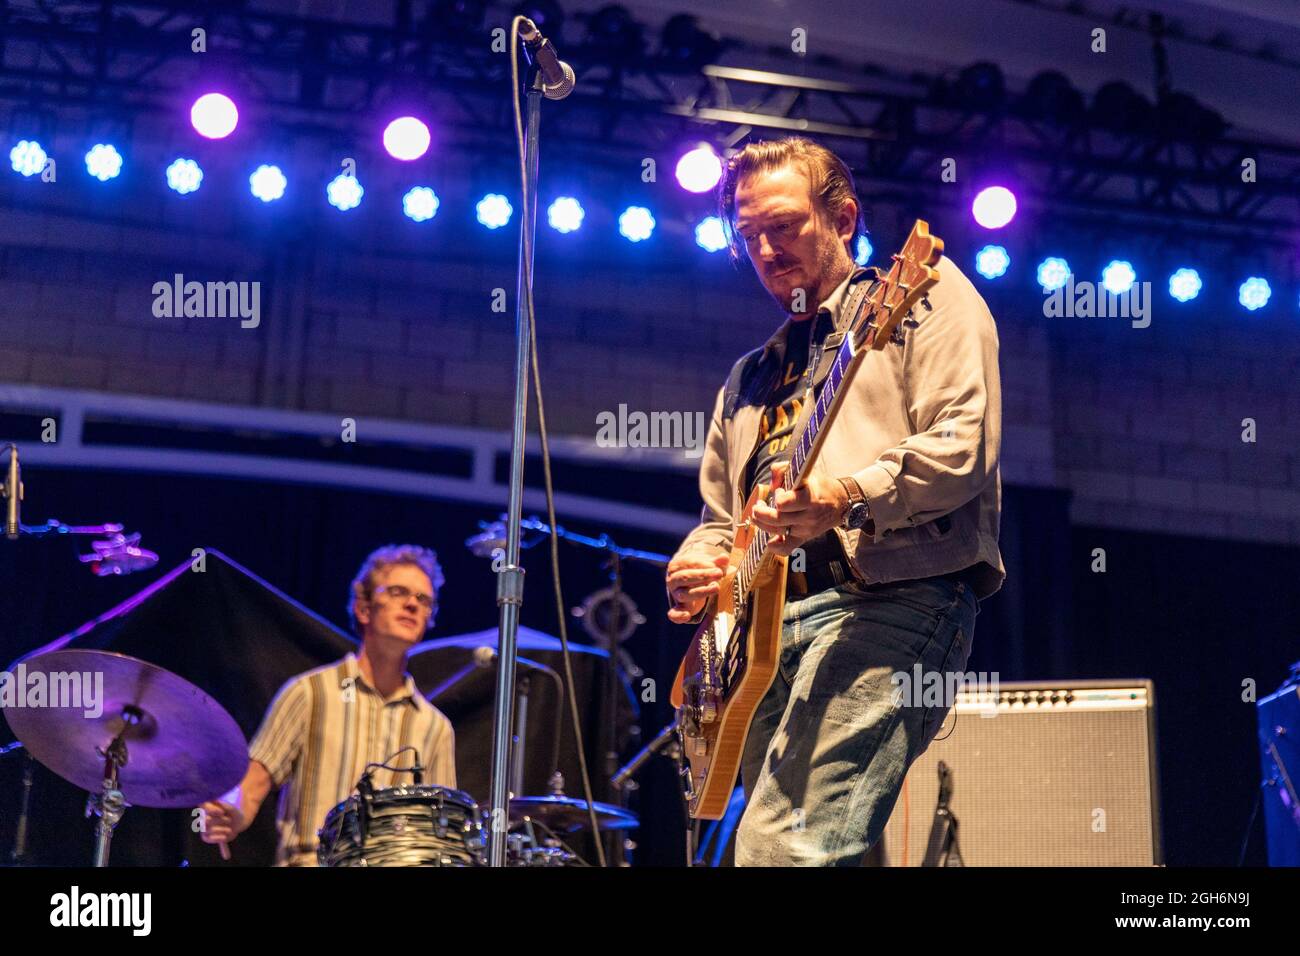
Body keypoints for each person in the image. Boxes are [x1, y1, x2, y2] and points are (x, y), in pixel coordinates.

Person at [665, 136, 1004, 866]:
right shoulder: (750, 375)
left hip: (889, 599)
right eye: (748, 235)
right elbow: (721, 522)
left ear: (844, 218)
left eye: (783, 227)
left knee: (782, 851)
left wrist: (844, 495)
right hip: (758, 637)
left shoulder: (923, 295)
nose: (764, 249)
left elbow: (964, 446)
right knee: (771, 849)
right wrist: (699, 565)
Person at [198, 544, 457, 866]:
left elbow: (440, 833)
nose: (412, 605)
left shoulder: (435, 727)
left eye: (423, 600)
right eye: (398, 592)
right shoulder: (310, 693)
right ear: (364, 608)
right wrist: (231, 812)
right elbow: (253, 783)